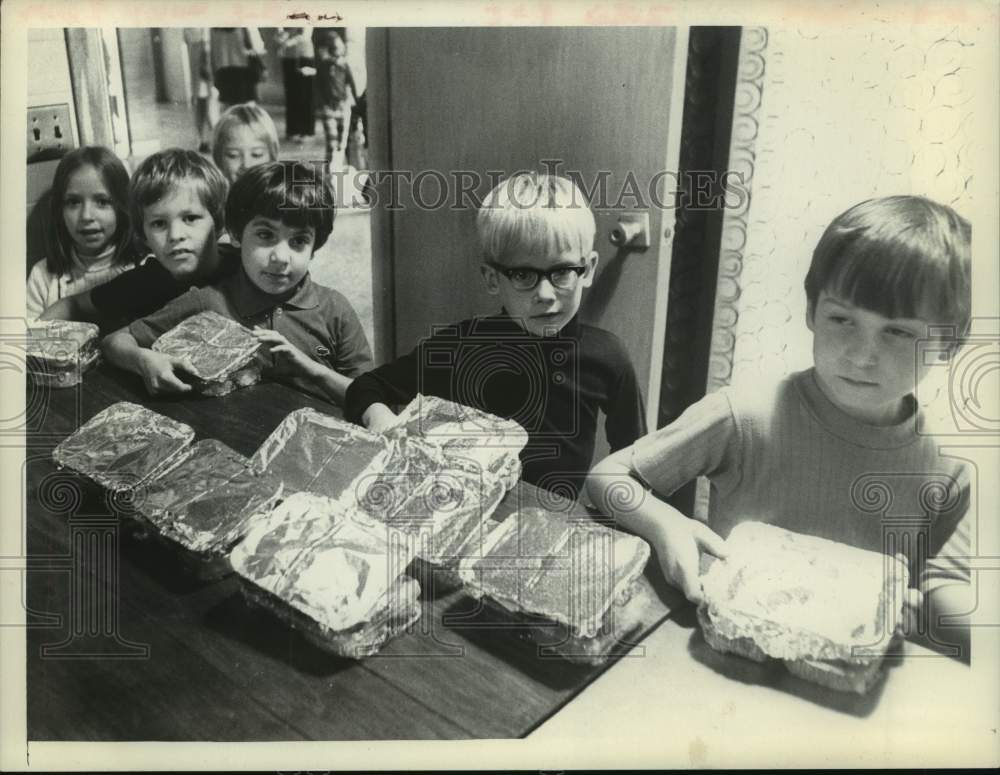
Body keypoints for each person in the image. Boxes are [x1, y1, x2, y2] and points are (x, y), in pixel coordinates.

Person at [587, 195, 973, 656]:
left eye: (898, 331)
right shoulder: (745, 414)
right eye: (841, 319)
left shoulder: (947, 469)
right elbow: (606, 477)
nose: (860, 354)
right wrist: (666, 525)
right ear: (811, 312)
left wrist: (930, 612)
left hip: (844, 677)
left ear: (949, 344)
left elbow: (945, 590)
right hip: (733, 651)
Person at [345, 172, 647, 497]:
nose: (545, 294)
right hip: (465, 518)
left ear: (586, 270)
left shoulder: (609, 357)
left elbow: (637, 461)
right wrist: (383, 422)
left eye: (561, 272)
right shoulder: (462, 345)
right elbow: (364, 387)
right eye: (522, 275)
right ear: (492, 279)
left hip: (554, 525)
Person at [102, 161, 373, 403]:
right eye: (265, 235)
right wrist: (143, 360)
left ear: (314, 248)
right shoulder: (207, 302)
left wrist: (311, 369)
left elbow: (372, 397)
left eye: (299, 241)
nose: (280, 257)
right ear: (235, 235)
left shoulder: (335, 309)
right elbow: (116, 341)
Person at [39, 148, 236, 331]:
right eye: (159, 224)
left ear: (218, 223)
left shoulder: (244, 269)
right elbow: (72, 305)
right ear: (144, 236)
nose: (175, 235)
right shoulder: (145, 282)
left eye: (190, 218)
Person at [27, 146, 137, 319]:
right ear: (59, 210)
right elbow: (29, 341)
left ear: (122, 207)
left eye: (102, 202)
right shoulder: (43, 277)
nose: (86, 216)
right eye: (73, 202)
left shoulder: (142, 267)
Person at [312, 30, 357, 167]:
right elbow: (318, 88)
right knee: (332, 143)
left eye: (340, 47)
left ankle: (342, 171)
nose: (339, 50)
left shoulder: (344, 66)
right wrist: (320, 105)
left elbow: (352, 85)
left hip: (343, 107)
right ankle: (329, 173)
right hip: (329, 109)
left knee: (343, 144)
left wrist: (356, 105)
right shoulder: (323, 67)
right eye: (336, 47)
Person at [211, 103, 279, 184]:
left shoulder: (284, 195)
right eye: (233, 155)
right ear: (218, 158)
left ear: (272, 156)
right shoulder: (213, 195)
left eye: (256, 154)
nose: (246, 164)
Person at [209, 27, 267, 109]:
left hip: (223, 72)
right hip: (243, 72)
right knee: (247, 110)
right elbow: (257, 47)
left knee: (229, 109)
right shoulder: (245, 25)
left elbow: (212, 52)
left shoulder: (213, 28)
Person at [275, 27, 315, 143]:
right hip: (288, 58)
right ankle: (292, 130)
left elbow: (305, 35)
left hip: (305, 56)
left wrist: (287, 42)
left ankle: (307, 131)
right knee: (291, 94)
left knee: (305, 95)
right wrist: (281, 37)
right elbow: (279, 35)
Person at [182, 28, 214, 153]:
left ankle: (204, 139)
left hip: (204, 79)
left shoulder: (200, 42)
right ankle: (203, 139)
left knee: (206, 110)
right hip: (201, 79)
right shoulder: (194, 45)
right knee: (203, 110)